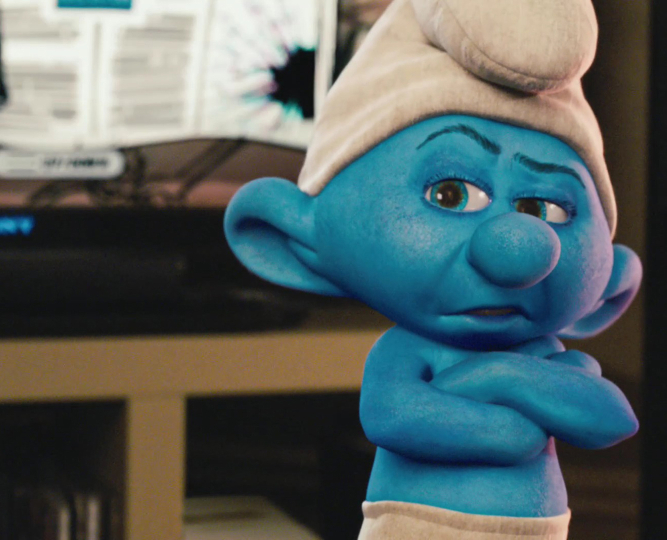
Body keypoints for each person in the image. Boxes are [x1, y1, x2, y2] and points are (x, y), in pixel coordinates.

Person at [224, 0, 641, 538]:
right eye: (451, 194)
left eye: (547, 209)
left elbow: (612, 420)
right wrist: (515, 422)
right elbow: (393, 416)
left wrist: (498, 375)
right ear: (293, 239)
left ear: (609, 290)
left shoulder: (543, 355)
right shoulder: (409, 353)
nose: (517, 247)